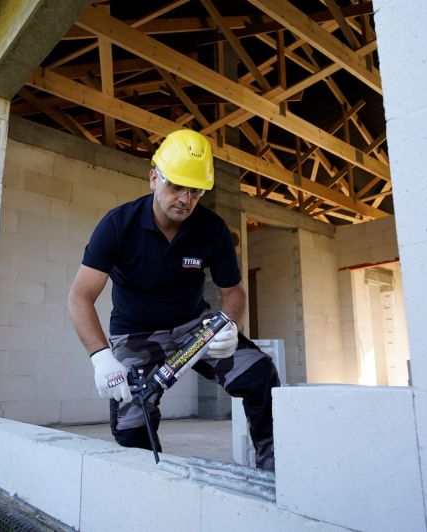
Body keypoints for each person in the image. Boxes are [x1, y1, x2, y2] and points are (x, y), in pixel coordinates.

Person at [67, 129, 279, 470]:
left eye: (195, 190)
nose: (185, 198)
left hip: (195, 328)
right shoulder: (118, 225)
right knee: (131, 424)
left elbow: (234, 291)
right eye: (176, 185)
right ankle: (149, 483)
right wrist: (101, 358)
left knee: (259, 374)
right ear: (154, 178)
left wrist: (228, 325)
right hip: (135, 334)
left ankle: (274, 465)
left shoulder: (212, 230)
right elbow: (80, 297)